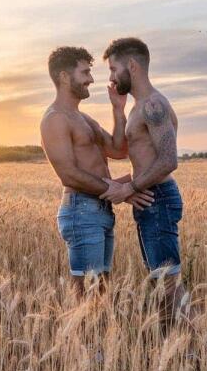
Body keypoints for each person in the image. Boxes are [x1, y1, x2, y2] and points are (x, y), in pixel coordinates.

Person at [39, 46, 153, 297]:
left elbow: (118, 149)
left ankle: (95, 337)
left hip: (100, 209)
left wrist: (118, 110)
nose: (91, 79)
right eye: (85, 73)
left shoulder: (84, 119)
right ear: (64, 77)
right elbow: (68, 174)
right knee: (86, 295)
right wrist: (118, 190)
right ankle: (79, 337)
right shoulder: (55, 119)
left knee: (100, 291)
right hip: (81, 211)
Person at [98, 38, 187, 328]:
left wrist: (129, 189)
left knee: (168, 284)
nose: (111, 77)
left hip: (157, 198)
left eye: (113, 69)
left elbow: (168, 160)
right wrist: (118, 110)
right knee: (160, 282)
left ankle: (193, 349)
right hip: (151, 199)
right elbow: (130, 155)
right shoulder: (138, 107)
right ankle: (176, 347)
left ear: (132, 66)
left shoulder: (154, 105)